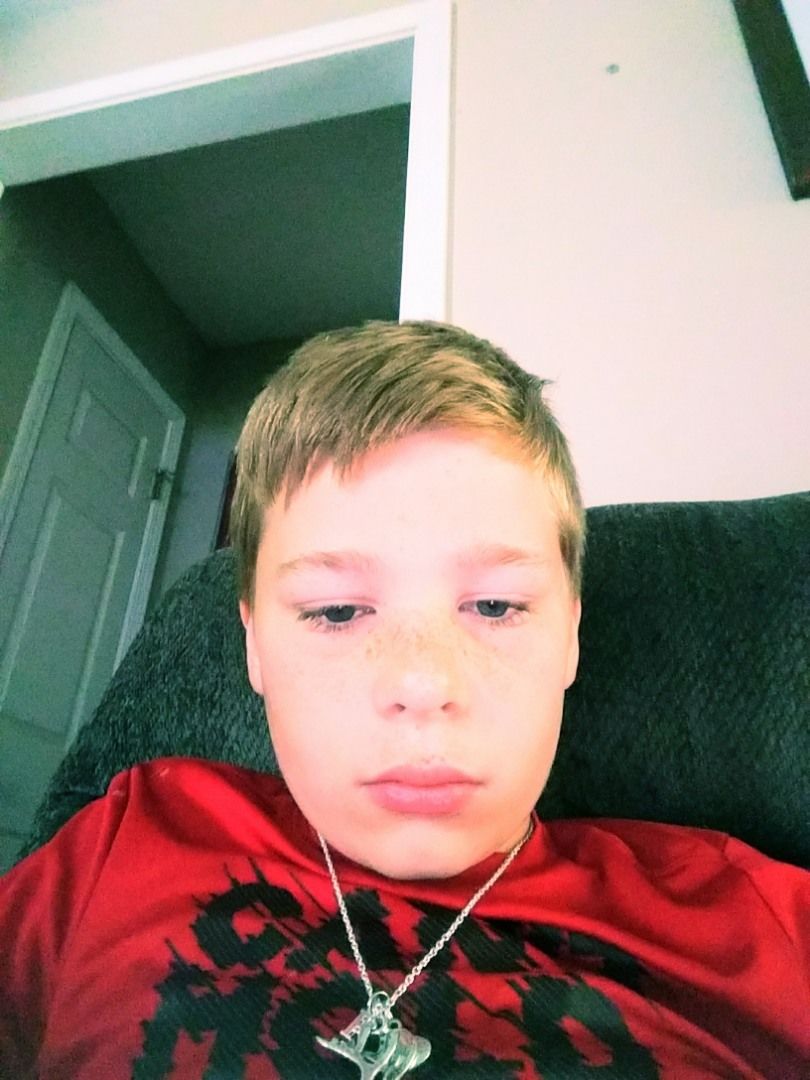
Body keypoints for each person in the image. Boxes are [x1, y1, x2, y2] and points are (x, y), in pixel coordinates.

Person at [1, 321, 807, 1079]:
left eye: (495, 605)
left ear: (569, 636)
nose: (424, 687)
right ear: (252, 646)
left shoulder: (754, 927)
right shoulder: (121, 845)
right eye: (336, 612)